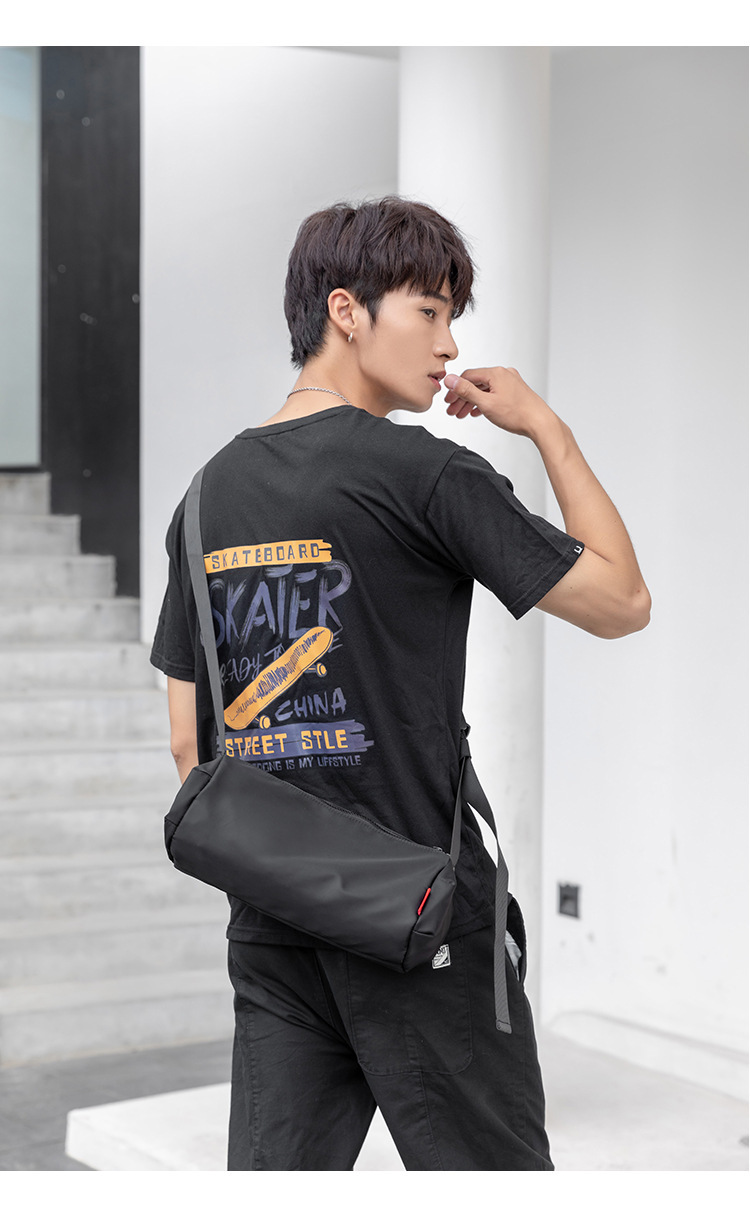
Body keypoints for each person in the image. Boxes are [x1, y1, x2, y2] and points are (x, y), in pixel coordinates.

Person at [150, 196, 650, 1172]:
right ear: (347, 311)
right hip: (426, 921)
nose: (450, 343)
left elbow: (187, 744)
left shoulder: (203, 497)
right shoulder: (424, 475)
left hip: (276, 923)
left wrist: (294, 869)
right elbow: (620, 600)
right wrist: (545, 427)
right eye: (430, 310)